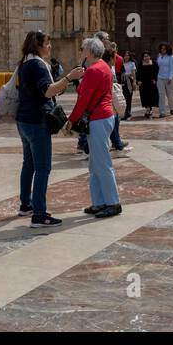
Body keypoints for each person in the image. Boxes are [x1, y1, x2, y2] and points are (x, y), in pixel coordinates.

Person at [15, 30, 78, 229]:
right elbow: (47, 90)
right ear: (39, 45)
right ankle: (40, 215)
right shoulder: (38, 65)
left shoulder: (24, 63)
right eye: (48, 43)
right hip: (36, 121)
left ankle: (26, 204)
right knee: (43, 168)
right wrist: (69, 78)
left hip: (23, 120)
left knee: (29, 164)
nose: (50, 46)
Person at [62, 36, 121, 219]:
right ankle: (99, 202)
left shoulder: (94, 70)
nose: (81, 51)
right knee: (95, 163)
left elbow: (83, 100)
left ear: (88, 51)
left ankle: (113, 203)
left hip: (98, 119)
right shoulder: (103, 66)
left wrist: (71, 120)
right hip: (104, 117)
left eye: (82, 48)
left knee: (102, 162)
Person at [137, 51, 161, 116]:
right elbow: (138, 73)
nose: (146, 57)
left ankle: (149, 109)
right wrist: (138, 80)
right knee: (144, 96)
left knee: (151, 96)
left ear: (150, 56)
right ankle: (148, 109)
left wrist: (155, 79)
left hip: (151, 83)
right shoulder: (140, 64)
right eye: (144, 56)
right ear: (143, 57)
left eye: (147, 56)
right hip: (143, 83)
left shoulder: (154, 63)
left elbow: (157, 71)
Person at [156, 43, 173, 115]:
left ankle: (172, 107)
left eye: (164, 48)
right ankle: (162, 112)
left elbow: (171, 68)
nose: (162, 50)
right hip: (160, 77)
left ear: (167, 49)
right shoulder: (159, 56)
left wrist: (170, 77)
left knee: (170, 95)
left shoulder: (171, 57)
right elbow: (158, 66)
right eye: (161, 48)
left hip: (169, 78)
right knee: (161, 95)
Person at [121, 52, 136, 119]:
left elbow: (133, 73)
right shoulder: (122, 63)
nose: (126, 57)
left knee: (129, 96)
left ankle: (128, 112)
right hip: (123, 80)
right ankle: (124, 112)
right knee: (123, 96)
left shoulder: (132, 63)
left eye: (127, 55)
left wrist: (134, 82)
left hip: (129, 80)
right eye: (125, 55)